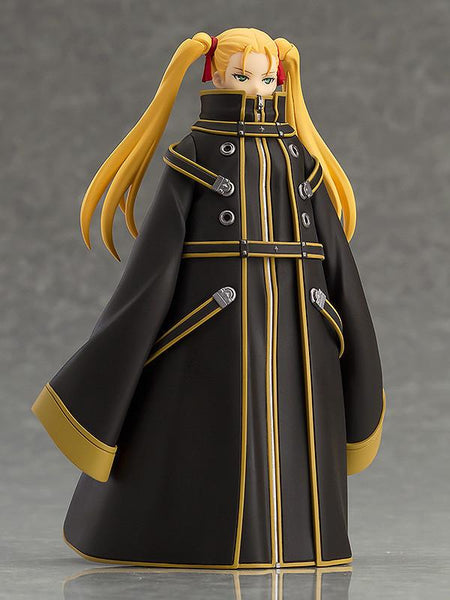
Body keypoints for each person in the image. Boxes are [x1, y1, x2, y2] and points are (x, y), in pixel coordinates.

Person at [31, 27, 386, 568]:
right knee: (210, 432)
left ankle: (301, 545)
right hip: (211, 327)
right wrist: (134, 334)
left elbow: (336, 257)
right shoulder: (195, 153)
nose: (255, 88)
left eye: (266, 79)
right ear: (214, 75)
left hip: (300, 324)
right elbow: (153, 268)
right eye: (242, 76)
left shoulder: (300, 158)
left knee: (298, 430)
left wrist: (344, 323)